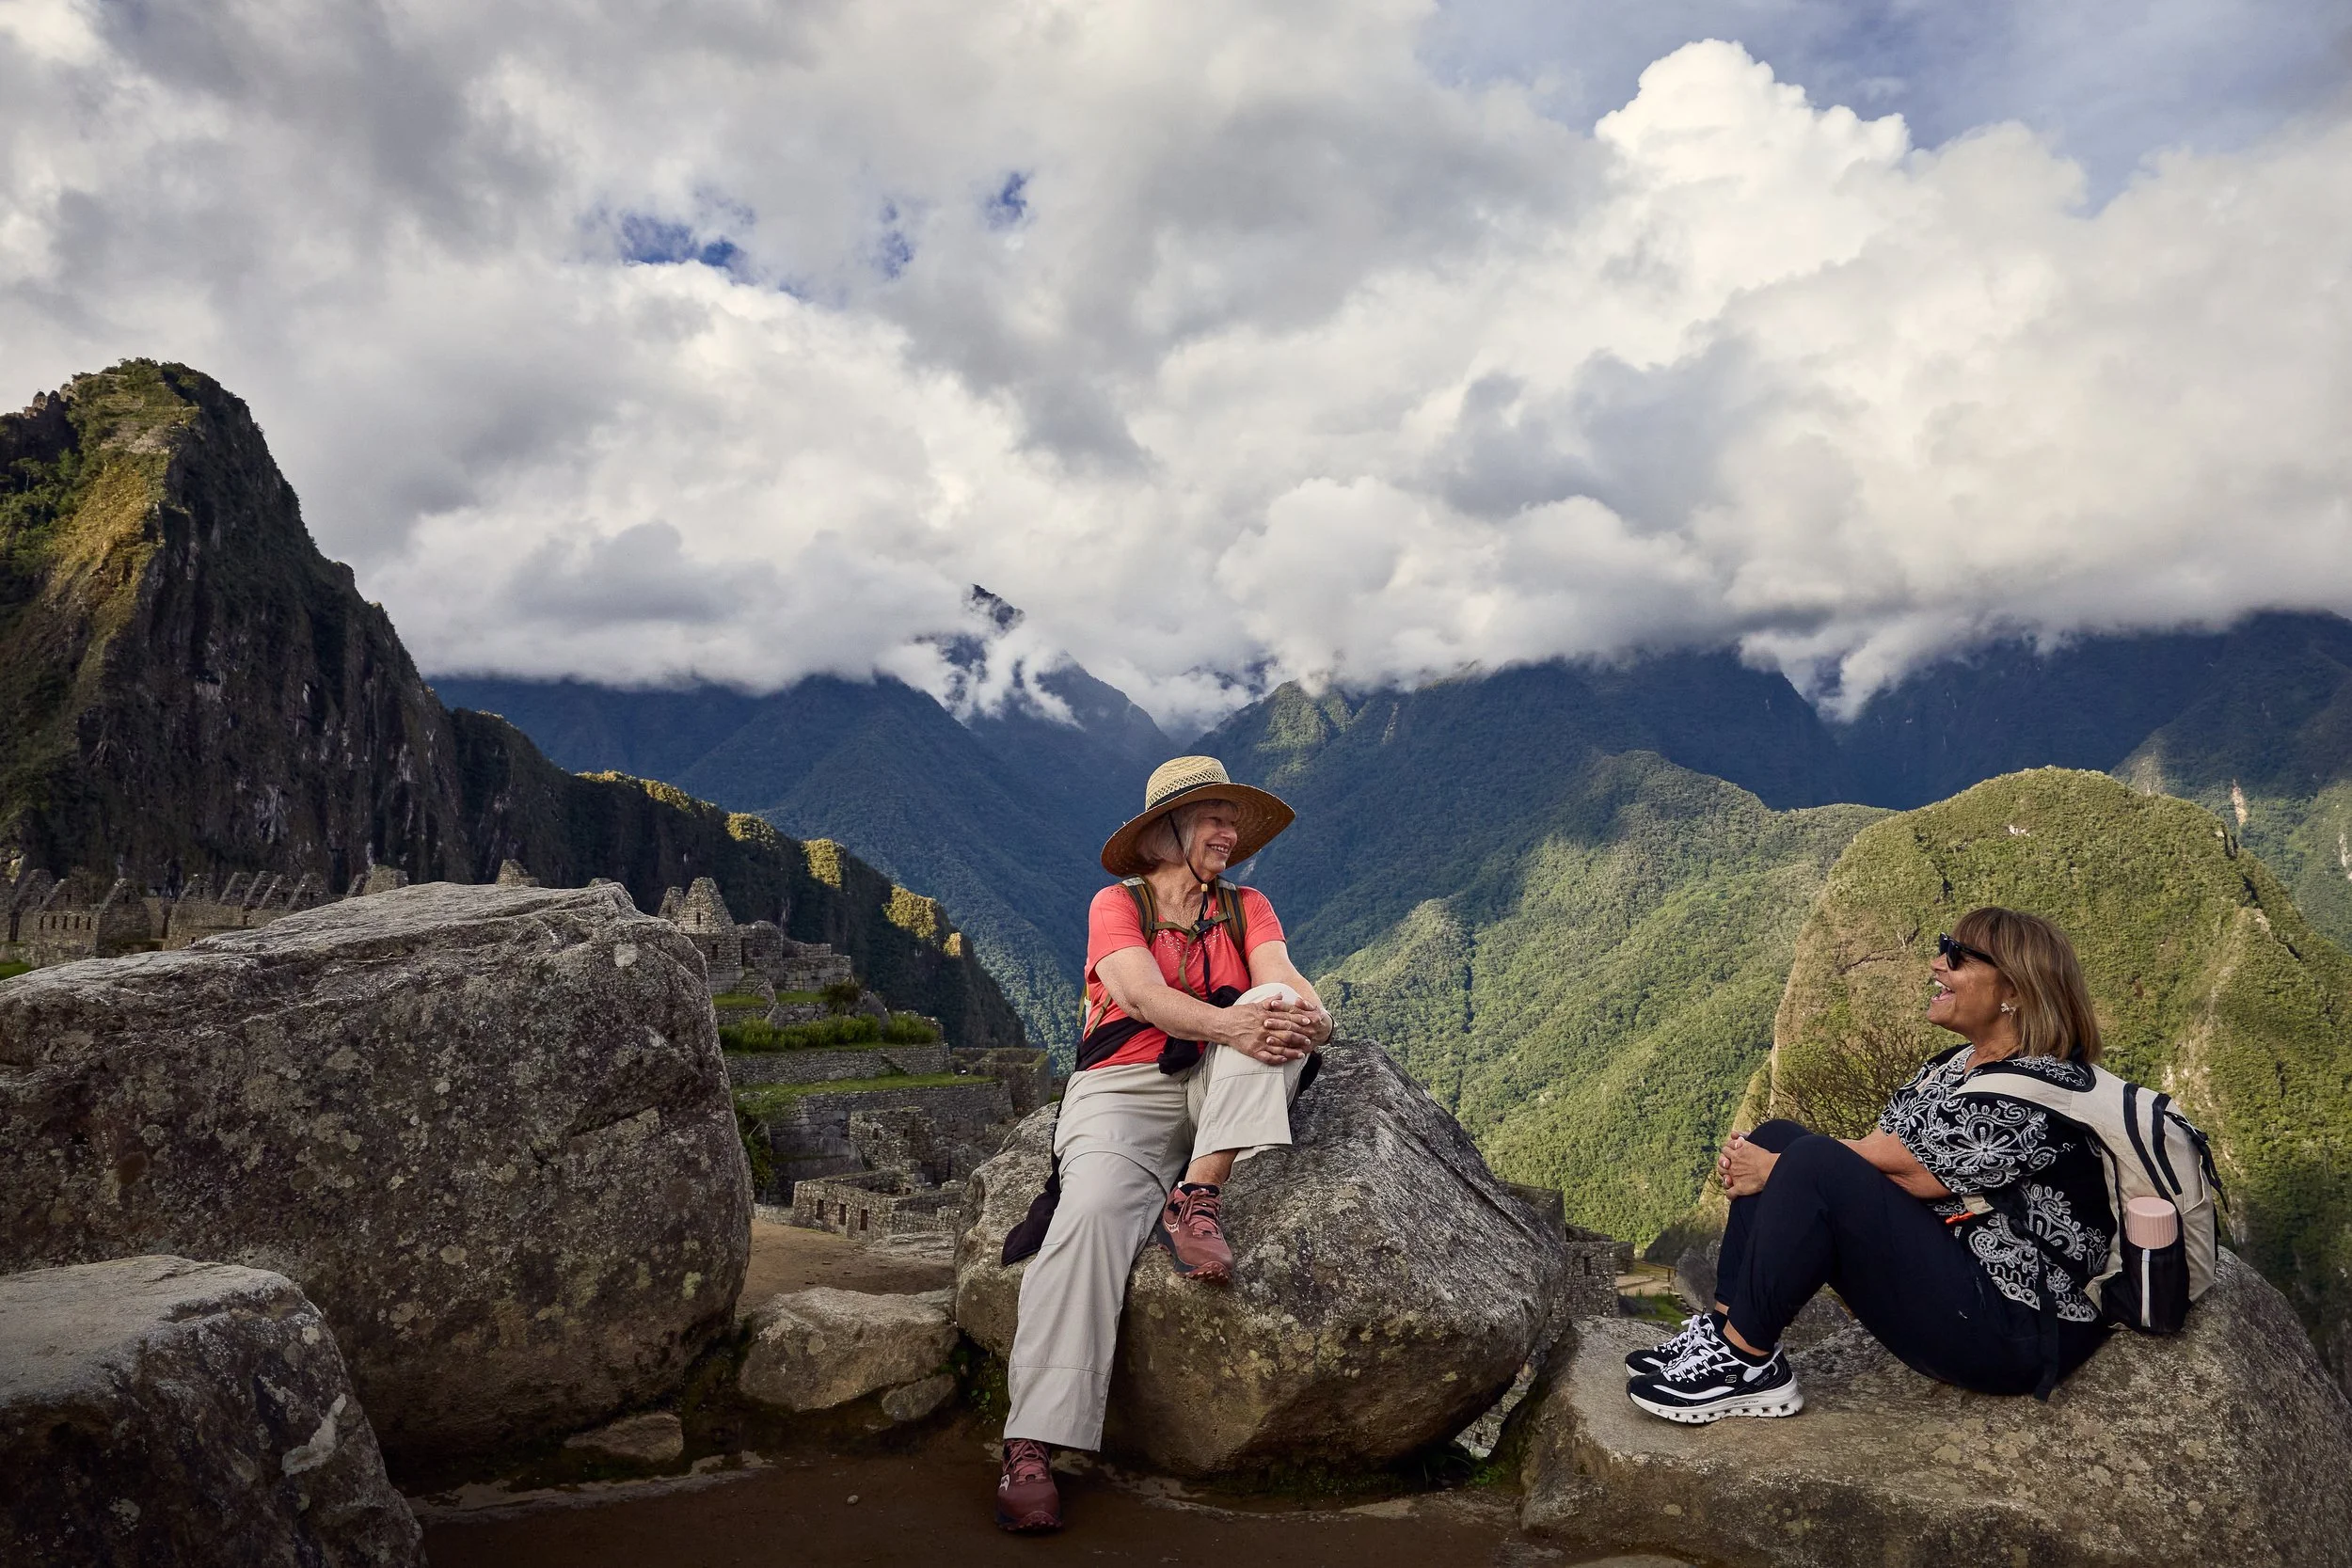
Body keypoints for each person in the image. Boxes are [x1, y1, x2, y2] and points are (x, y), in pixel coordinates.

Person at [994, 755, 1333, 1532]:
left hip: (1220, 1077)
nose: (1229, 831)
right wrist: (1235, 1023)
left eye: (1232, 817)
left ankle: (1198, 1192)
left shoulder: (1249, 906)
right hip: (1125, 1087)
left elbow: (1283, 977)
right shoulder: (1118, 905)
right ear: (1166, 830)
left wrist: (1315, 1020)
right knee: (1089, 1213)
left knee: (1274, 999)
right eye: (1213, 815)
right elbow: (1142, 994)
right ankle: (1032, 1442)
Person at [1625, 906, 2115, 1423]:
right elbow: (1874, 1150)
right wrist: (1774, 1160)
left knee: (1805, 1158)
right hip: (1953, 1280)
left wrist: (1778, 1170)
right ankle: (1726, 1333)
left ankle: (1747, 1363)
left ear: (2013, 990)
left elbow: (1911, 1172)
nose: (1936, 964)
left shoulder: (2040, 1091)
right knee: (1779, 1136)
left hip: (2015, 1327)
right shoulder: (1950, 1067)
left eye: (1958, 956)